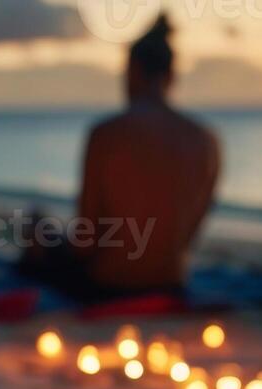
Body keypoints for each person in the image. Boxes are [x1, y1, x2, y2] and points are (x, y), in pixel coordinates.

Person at [21, 14, 220, 299]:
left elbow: (85, 243)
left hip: (109, 285)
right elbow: (188, 236)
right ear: (172, 76)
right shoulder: (208, 140)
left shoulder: (106, 134)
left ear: (132, 71)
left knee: (36, 226)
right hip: (172, 283)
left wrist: (47, 239)